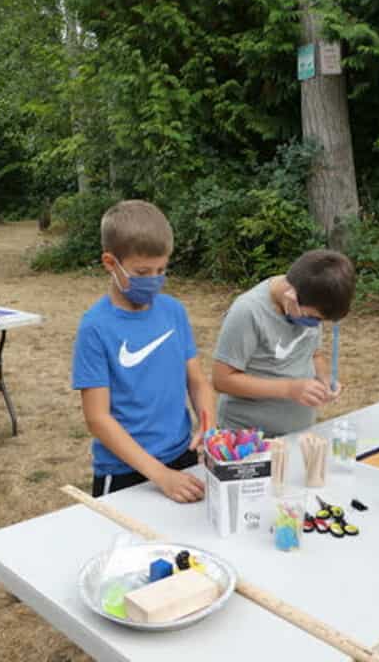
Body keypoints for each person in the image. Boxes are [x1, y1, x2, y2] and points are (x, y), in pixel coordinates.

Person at [72, 200, 215, 502]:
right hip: (124, 471)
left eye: (161, 269)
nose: (153, 279)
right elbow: (97, 418)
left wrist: (208, 422)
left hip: (182, 456)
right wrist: (160, 475)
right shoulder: (95, 328)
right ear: (111, 263)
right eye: (142, 271)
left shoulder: (174, 311)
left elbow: (197, 380)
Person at [212, 250, 356, 436]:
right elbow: (222, 380)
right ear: (291, 296)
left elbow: (313, 353)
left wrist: (324, 378)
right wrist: (289, 389)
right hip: (249, 439)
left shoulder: (312, 300)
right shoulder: (248, 311)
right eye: (313, 318)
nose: (314, 324)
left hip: (298, 432)